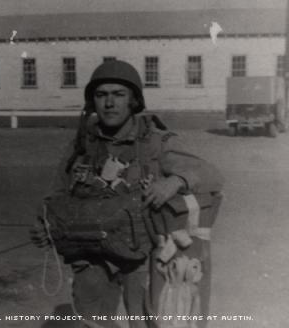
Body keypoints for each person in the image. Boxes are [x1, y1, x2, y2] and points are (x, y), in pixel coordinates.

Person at [31, 60, 223, 328]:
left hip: (141, 258)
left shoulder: (156, 141)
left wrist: (176, 181)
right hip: (92, 255)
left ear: (134, 100)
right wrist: (44, 226)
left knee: (146, 321)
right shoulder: (82, 144)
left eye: (118, 94)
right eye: (101, 95)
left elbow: (211, 174)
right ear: (92, 101)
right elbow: (56, 195)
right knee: (91, 321)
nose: (109, 103)